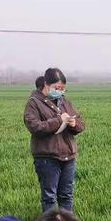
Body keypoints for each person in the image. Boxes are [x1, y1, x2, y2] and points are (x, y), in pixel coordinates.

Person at [24, 68, 85, 212]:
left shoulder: (64, 102)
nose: (60, 91)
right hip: (47, 157)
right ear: (46, 84)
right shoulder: (34, 103)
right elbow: (35, 127)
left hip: (68, 156)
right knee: (49, 197)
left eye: (63, 89)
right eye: (57, 88)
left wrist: (74, 124)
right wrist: (59, 120)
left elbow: (81, 123)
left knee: (66, 196)